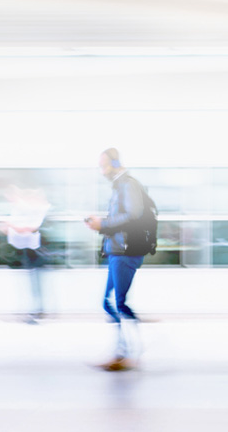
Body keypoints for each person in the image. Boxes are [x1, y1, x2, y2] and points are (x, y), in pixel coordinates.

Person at [85, 148, 153, 372]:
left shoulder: (127, 184)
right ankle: (124, 352)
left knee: (116, 302)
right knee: (110, 301)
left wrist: (103, 224)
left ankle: (128, 353)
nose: (102, 170)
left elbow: (133, 215)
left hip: (126, 251)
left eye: (104, 165)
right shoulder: (119, 186)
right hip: (117, 250)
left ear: (115, 163)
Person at [1, 186, 50, 324]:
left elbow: (31, 228)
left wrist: (11, 225)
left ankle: (36, 312)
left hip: (37, 252)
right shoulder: (32, 210)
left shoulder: (42, 210)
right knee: (32, 282)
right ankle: (34, 311)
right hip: (29, 251)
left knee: (36, 283)